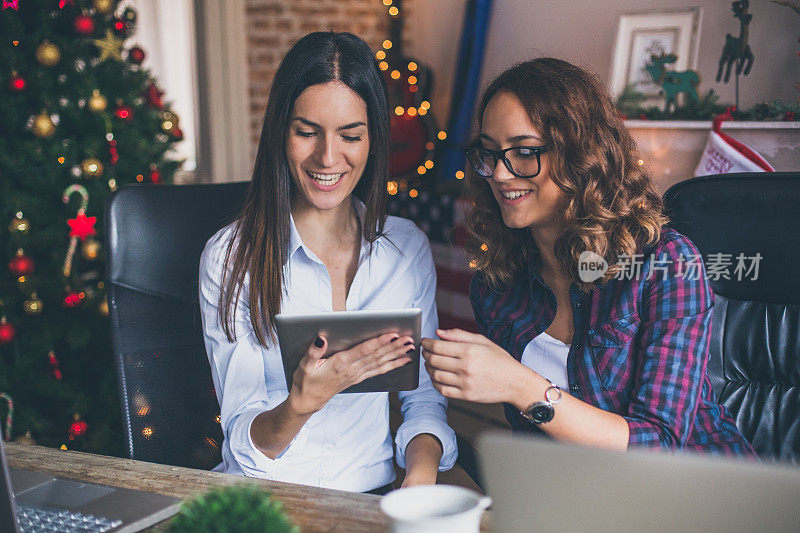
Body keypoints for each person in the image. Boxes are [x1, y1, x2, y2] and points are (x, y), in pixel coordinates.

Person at [421, 58, 754, 455]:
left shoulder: (667, 265)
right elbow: (535, 441)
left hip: (696, 494)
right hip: (578, 495)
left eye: (525, 152)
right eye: (491, 153)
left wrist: (521, 386)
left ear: (582, 155)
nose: (500, 174)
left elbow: (659, 444)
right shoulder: (497, 281)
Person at [199, 32, 457, 494]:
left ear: (374, 139)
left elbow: (423, 402)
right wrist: (301, 402)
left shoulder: (406, 251)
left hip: (372, 496)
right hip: (268, 498)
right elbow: (242, 439)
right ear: (281, 132)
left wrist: (418, 482)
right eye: (307, 132)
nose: (328, 157)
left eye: (350, 135)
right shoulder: (230, 257)